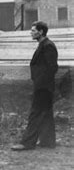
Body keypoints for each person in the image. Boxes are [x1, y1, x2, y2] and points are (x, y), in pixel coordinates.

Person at [11, 21, 58, 151]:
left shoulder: (48, 46)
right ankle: (48, 142)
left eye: (33, 30)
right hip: (44, 86)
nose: (31, 33)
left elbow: (52, 68)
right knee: (46, 114)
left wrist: (40, 84)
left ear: (41, 32)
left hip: (43, 87)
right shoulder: (43, 45)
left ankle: (27, 143)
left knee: (35, 114)